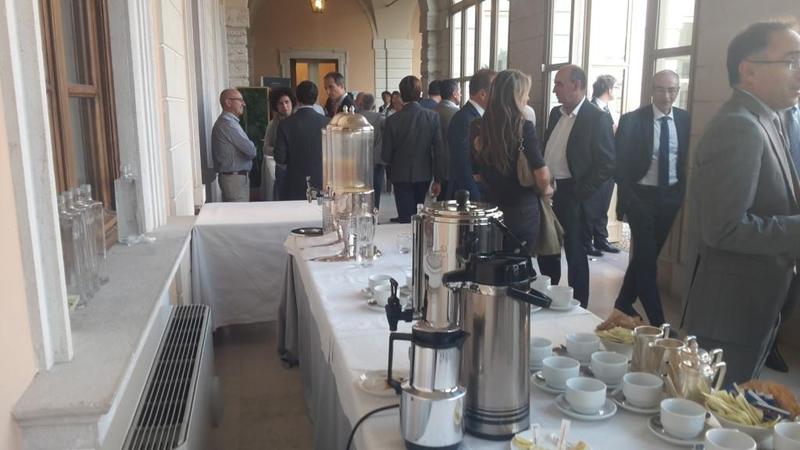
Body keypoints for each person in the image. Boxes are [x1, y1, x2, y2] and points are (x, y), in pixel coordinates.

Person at [680, 21, 800, 383]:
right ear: (749, 71)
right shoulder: (739, 126)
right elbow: (724, 228)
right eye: (792, 61)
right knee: (715, 407)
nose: (799, 72)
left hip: (754, 304)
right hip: (729, 313)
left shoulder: (770, 119)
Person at [613, 70, 690, 327]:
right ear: (651, 90)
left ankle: (623, 303)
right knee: (647, 264)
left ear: (678, 91)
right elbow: (619, 165)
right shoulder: (632, 120)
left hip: (670, 198)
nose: (667, 96)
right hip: (641, 198)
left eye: (672, 90)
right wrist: (630, 199)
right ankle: (659, 326)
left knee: (645, 258)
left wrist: (680, 194)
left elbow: (684, 161)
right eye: (661, 89)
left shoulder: (685, 120)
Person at [536, 65, 615, 308]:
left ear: (577, 85)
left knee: (575, 254)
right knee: (547, 248)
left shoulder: (597, 118)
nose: (554, 90)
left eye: (559, 84)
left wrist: (580, 193)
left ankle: (579, 307)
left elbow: (607, 164)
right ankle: (548, 298)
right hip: (548, 192)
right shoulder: (555, 114)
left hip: (574, 194)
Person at [472, 70, 552, 254]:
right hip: (521, 210)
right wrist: (546, 189)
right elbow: (541, 174)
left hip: (490, 208)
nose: (528, 98)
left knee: (493, 260)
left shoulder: (477, 126)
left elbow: (476, 175)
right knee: (518, 263)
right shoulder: (524, 127)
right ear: (516, 95)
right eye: (526, 93)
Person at [382, 75, 444, 223]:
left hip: (400, 174)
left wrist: (390, 171)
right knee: (419, 214)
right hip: (424, 173)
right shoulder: (432, 117)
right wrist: (438, 179)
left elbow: (385, 154)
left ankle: (405, 232)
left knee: (405, 217)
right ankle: (417, 235)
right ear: (420, 93)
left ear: (401, 95)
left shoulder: (392, 120)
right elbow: (439, 151)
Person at [584, 74, 621, 256]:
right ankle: (587, 241)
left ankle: (601, 238)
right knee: (592, 205)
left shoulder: (609, 109)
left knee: (604, 204)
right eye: (616, 87)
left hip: (609, 166)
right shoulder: (590, 110)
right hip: (595, 167)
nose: (617, 91)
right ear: (608, 89)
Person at [274, 81, 330, 200]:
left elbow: (280, 158)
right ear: (316, 98)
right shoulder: (329, 123)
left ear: (297, 98)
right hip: (323, 182)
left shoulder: (285, 124)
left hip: (294, 183)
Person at [447, 69, 496, 201]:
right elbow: (462, 165)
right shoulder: (464, 119)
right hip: (470, 195)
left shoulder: (483, 116)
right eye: (496, 91)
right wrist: (476, 200)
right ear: (483, 94)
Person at [212, 88, 257, 202]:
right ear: (228, 102)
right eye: (240, 100)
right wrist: (251, 144)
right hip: (234, 180)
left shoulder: (230, 122)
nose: (244, 104)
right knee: (239, 212)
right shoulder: (228, 124)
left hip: (235, 178)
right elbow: (251, 150)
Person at [262, 87, 295, 200]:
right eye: (281, 103)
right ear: (276, 106)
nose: (285, 106)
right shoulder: (273, 124)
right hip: (281, 168)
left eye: (287, 102)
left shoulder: (298, 121)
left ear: (292, 102)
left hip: (298, 167)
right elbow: (265, 148)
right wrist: (280, 151)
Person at [359, 93, 386, 210]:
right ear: (374, 105)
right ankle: (375, 212)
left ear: (360, 104)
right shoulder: (380, 118)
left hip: (359, 161)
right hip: (376, 160)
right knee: (376, 189)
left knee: (360, 190)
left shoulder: (355, 118)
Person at [435, 79, 461, 200]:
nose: (461, 94)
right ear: (454, 93)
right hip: (452, 166)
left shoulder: (432, 111)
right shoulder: (458, 114)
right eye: (459, 91)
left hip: (435, 166)